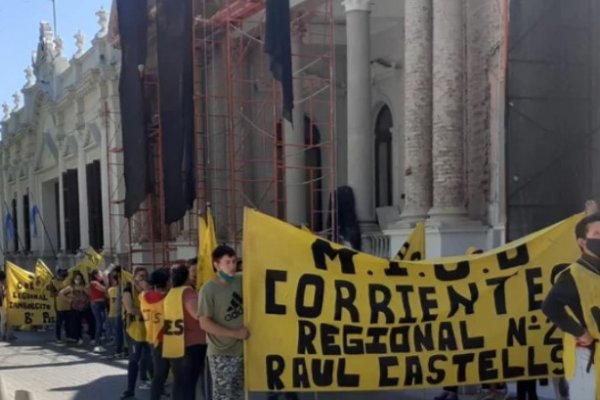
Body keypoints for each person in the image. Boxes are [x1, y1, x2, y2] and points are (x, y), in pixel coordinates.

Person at [542, 200, 600, 400]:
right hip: (587, 359)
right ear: (582, 242)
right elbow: (550, 306)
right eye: (597, 235)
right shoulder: (573, 275)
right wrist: (581, 332)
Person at [198, 245, 250, 400]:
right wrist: (235, 333)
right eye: (227, 262)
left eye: (234, 261)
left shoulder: (241, 280)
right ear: (216, 265)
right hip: (221, 353)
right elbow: (204, 323)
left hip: (243, 350)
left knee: (237, 394)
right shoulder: (208, 289)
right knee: (223, 395)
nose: (233, 266)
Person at [163, 264, 207, 400]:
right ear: (186, 276)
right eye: (191, 272)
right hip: (192, 345)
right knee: (188, 387)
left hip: (175, 343)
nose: (194, 274)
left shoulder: (171, 293)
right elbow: (197, 314)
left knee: (179, 384)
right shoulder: (187, 293)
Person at [121, 267, 153, 399]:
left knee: (152, 359)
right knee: (134, 360)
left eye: (145, 276)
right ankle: (130, 389)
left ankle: (158, 387)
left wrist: (147, 291)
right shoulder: (128, 290)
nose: (143, 279)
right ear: (134, 278)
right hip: (135, 330)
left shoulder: (150, 290)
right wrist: (148, 311)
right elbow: (131, 309)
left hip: (149, 329)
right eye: (140, 276)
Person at [140, 268, 170, 400]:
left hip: (152, 337)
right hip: (165, 338)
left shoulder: (143, 296)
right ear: (167, 282)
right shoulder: (167, 299)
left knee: (159, 373)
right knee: (161, 375)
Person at [60, 271, 90, 345]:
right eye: (76, 279)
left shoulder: (84, 287)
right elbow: (61, 293)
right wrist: (68, 300)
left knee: (85, 322)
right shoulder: (71, 287)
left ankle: (84, 336)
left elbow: (89, 294)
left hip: (83, 307)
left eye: (79, 279)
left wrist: (87, 299)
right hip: (74, 307)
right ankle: (77, 337)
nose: (78, 280)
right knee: (76, 323)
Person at [49, 269, 70, 343]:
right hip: (59, 305)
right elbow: (51, 294)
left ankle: (68, 336)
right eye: (61, 276)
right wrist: (60, 292)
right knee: (59, 322)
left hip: (68, 304)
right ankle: (58, 337)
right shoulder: (53, 282)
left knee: (68, 322)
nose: (63, 278)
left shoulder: (67, 281)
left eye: (64, 276)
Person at [90, 269, 108, 353]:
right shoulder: (94, 283)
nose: (102, 275)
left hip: (101, 303)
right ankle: (97, 343)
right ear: (95, 275)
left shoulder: (99, 282)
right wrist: (106, 280)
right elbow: (104, 290)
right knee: (99, 324)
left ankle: (98, 340)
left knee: (102, 322)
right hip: (97, 304)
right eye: (100, 273)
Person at [0, 270, 6, 341]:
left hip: (1, 304)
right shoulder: (1, 286)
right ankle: (2, 335)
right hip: (1, 305)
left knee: (3, 320)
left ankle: (2, 334)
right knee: (3, 320)